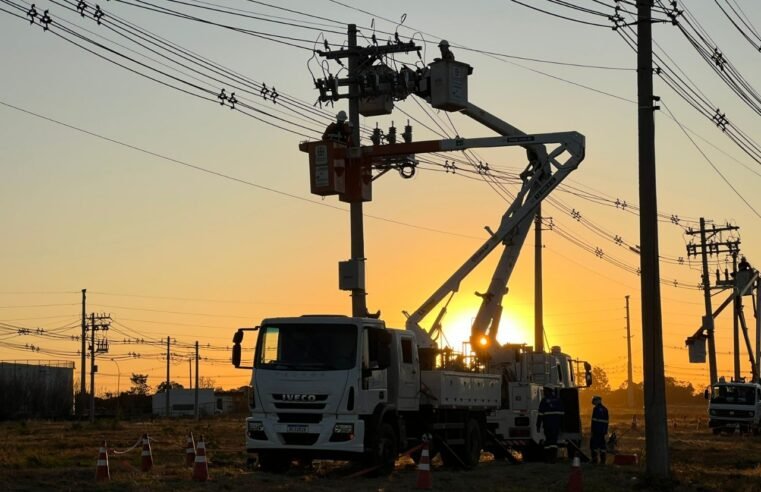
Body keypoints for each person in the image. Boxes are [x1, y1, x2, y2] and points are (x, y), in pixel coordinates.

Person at [537, 387, 564, 463]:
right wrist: (562, 426)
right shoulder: (559, 400)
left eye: (545, 391)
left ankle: (548, 458)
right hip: (556, 425)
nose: (544, 392)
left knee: (548, 441)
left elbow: (540, 414)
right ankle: (553, 458)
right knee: (554, 441)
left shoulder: (544, 401)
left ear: (548, 391)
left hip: (547, 425)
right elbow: (562, 414)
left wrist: (538, 425)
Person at [590, 395, 609, 464]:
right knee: (602, 446)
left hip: (596, 430)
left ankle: (594, 460)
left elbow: (594, 421)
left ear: (597, 401)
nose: (593, 402)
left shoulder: (596, 409)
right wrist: (605, 431)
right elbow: (606, 422)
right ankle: (603, 461)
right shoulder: (605, 409)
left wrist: (592, 430)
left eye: (594, 400)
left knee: (593, 445)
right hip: (603, 431)